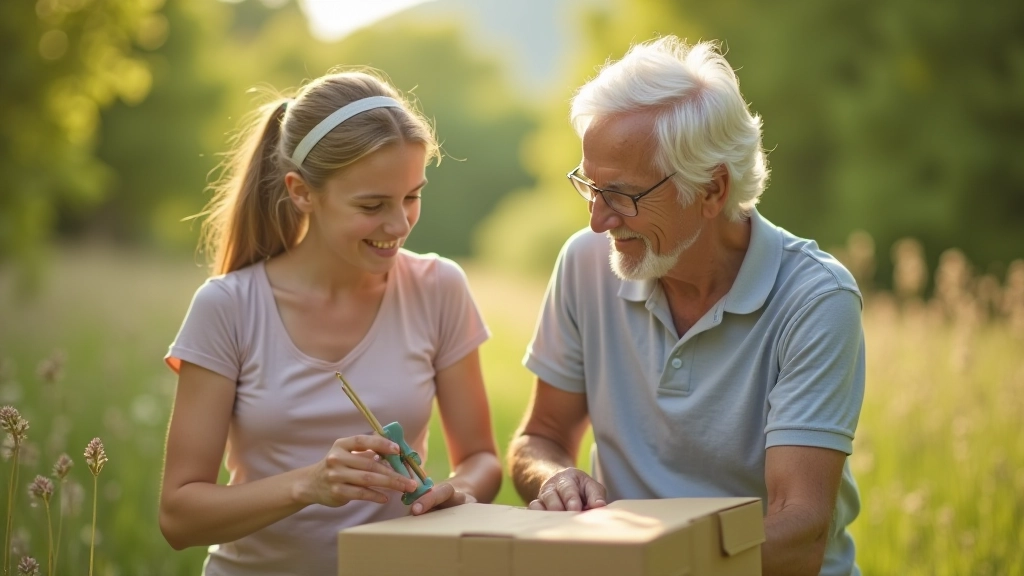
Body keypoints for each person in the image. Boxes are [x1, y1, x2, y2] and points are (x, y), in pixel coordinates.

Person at [508, 36, 865, 576]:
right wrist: (554, 476)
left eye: (623, 196)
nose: (597, 220)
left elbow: (799, 531)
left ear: (711, 189)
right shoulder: (585, 263)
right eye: (590, 187)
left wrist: (647, 565)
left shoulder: (815, 300)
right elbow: (540, 439)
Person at [159, 69, 502, 575]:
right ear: (301, 192)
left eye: (412, 196)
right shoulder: (227, 307)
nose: (399, 225)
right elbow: (179, 516)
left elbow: (481, 458)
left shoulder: (439, 288)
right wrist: (310, 484)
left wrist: (459, 490)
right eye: (372, 205)